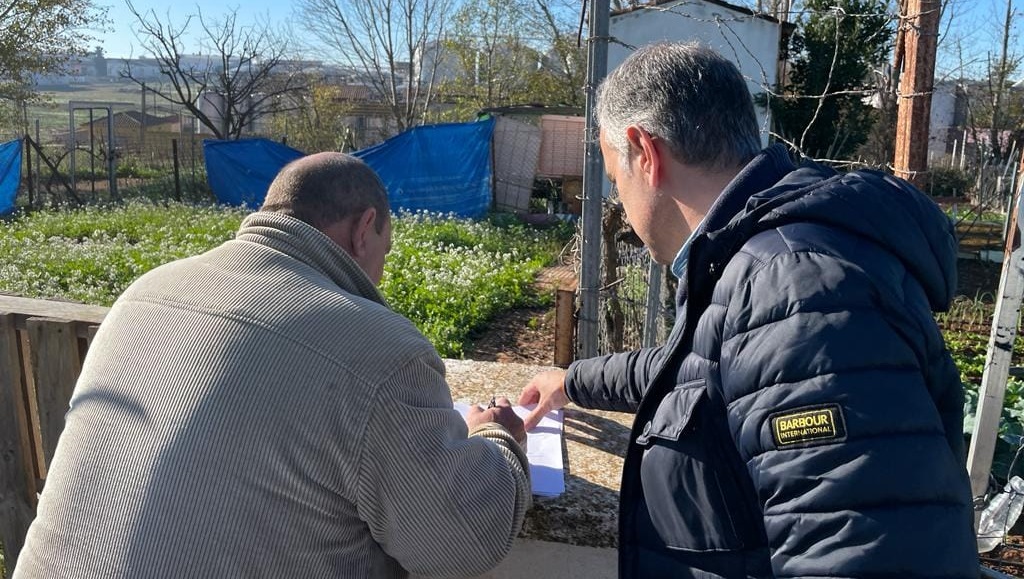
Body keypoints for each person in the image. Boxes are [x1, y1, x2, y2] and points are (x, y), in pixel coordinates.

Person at [519, 42, 978, 578]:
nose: (619, 200)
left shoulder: (794, 288)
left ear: (645, 153)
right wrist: (571, 382)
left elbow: (864, 554)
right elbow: (696, 374)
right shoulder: (752, 257)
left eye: (615, 178)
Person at [15, 152, 531, 578]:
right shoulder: (380, 347)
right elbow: (459, 544)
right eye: (384, 254)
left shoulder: (146, 291)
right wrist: (498, 439)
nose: (379, 277)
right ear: (364, 229)